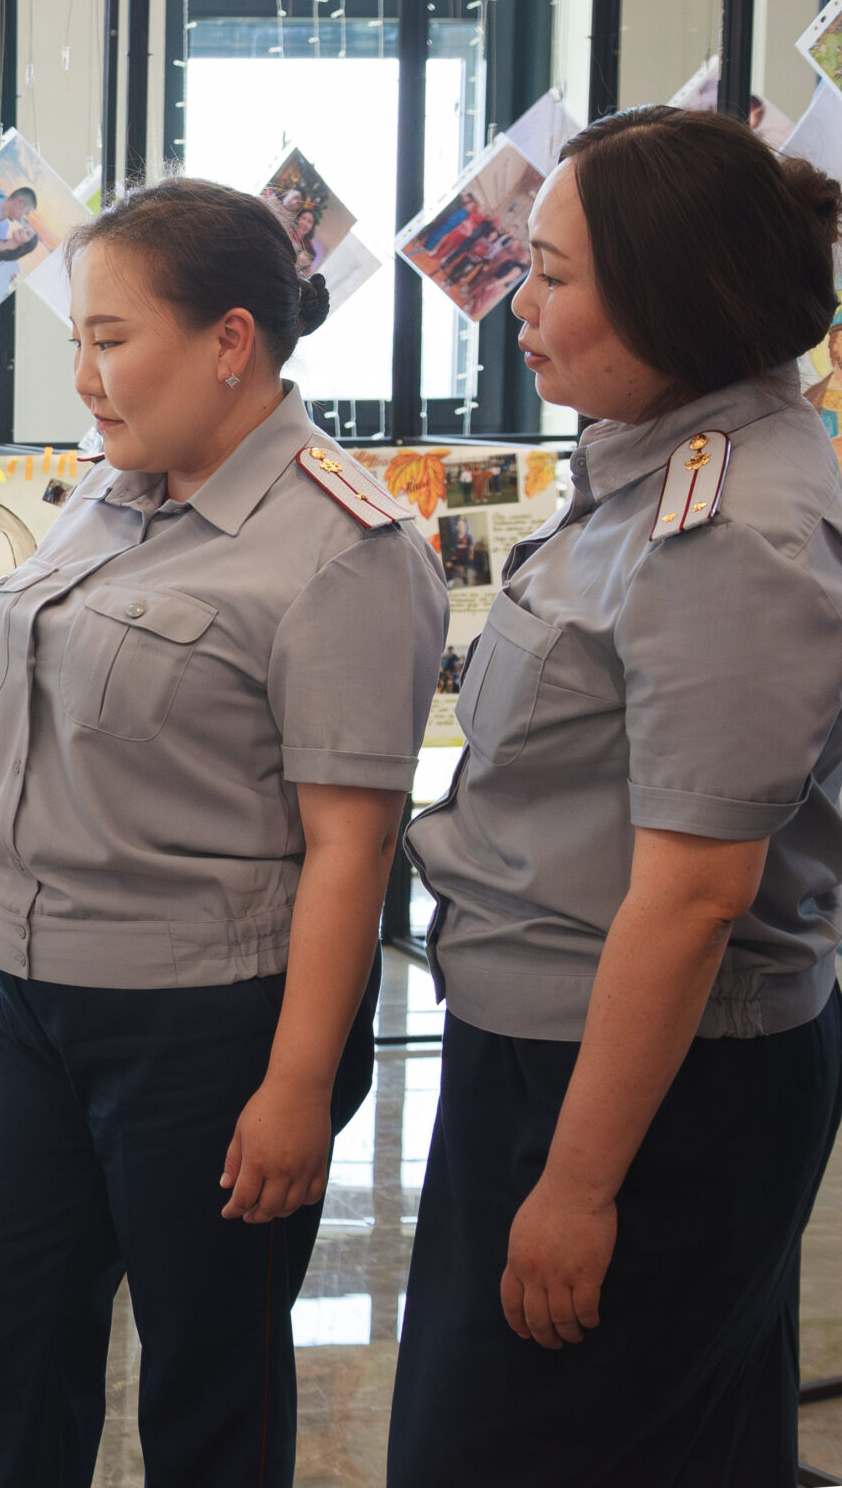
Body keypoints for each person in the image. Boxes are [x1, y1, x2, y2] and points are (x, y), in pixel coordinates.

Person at [0, 175, 446, 1488]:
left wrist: (298, 1089)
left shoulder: (344, 547)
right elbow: (53, 726)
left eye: (112, 340)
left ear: (231, 339)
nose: (86, 376)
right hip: (45, 999)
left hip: (214, 1022)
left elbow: (350, 848)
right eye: (78, 340)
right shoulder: (116, 486)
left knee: (207, 1382)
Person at [389, 109, 842, 1485]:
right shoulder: (647, 467)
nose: (521, 305)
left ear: (678, 293)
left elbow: (698, 891)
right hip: (557, 1049)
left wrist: (581, 1184)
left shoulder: (733, 530)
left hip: (645, 1089)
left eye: (557, 274)